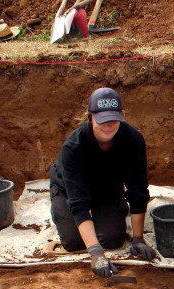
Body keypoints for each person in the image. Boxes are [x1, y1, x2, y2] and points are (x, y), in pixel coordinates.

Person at [49, 87, 155, 278]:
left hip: (107, 188)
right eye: (102, 119)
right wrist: (96, 253)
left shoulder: (133, 140)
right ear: (90, 117)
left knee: (113, 239)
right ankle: (59, 210)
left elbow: (137, 190)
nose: (108, 125)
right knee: (73, 243)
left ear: (122, 116)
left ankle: (109, 213)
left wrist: (138, 239)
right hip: (69, 190)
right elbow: (78, 202)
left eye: (113, 119)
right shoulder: (73, 147)